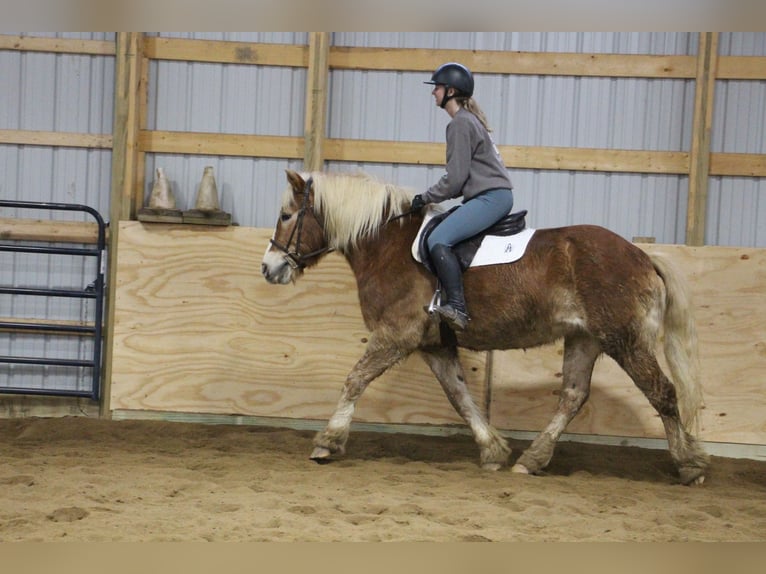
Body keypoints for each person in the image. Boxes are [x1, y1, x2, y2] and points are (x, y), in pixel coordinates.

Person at [411, 62, 514, 331]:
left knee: (437, 238)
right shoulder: (469, 120)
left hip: (490, 197)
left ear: (451, 91)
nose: (433, 93)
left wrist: (424, 197)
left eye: (437, 88)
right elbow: (459, 182)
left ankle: (457, 306)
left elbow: (455, 180)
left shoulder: (460, 124)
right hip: (491, 195)